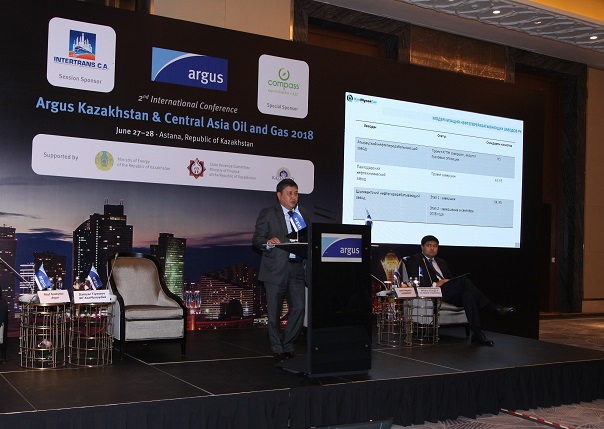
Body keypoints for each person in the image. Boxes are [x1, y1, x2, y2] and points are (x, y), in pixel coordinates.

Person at [405, 235, 515, 347]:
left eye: (435, 246)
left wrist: (449, 282)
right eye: (429, 246)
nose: (432, 248)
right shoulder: (415, 260)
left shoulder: (441, 262)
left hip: (447, 292)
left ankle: (477, 334)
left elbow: (451, 279)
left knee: (468, 295)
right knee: (464, 281)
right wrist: (436, 284)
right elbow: (415, 280)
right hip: (433, 292)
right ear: (422, 247)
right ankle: (491, 307)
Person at [252, 178, 310, 362]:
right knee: (274, 313)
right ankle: (277, 347)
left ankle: (288, 344)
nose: (293, 197)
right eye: (289, 193)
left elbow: (308, 239)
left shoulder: (303, 215)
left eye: (296, 193)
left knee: (299, 308)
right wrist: (268, 243)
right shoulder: (268, 213)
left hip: (297, 269)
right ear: (279, 195)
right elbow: (257, 239)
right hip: (275, 270)